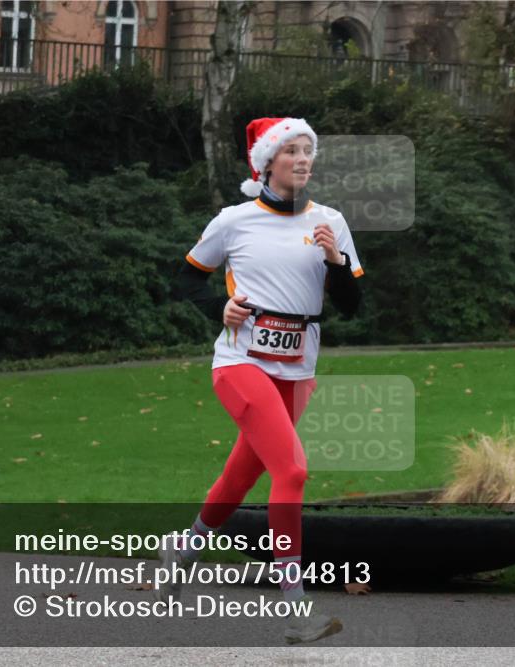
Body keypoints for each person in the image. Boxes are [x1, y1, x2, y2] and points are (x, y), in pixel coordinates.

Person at [162, 117, 363, 644]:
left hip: (298, 371)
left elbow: (352, 305)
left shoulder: (331, 222)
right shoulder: (234, 220)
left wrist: (335, 261)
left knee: (240, 478)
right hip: (240, 364)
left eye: (307, 150)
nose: (303, 159)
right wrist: (220, 307)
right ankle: (296, 610)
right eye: (291, 150)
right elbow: (186, 279)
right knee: (292, 470)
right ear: (267, 162)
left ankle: (183, 548)